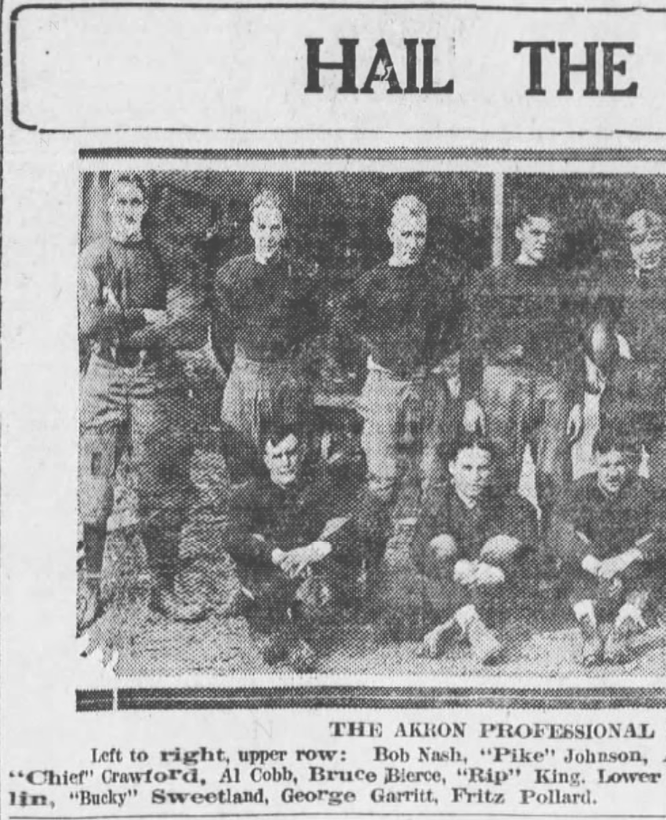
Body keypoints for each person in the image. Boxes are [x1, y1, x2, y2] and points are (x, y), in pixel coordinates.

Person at [78, 173, 208, 631]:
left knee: (161, 487)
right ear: (110, 205)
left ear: (146, 207)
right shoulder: (94, 257)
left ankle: (164, 587)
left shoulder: (164, 257)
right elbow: (90, 324)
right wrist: (144, 316)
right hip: (104, 380)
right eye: (121, 201)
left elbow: (188, 327)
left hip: (155, 378)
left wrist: (130, 324)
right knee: (95, 488)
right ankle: (90, 587)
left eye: (137, 202)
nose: (129, 210)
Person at [332, 196, 461, 548]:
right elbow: (342, 330)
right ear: (391, 233)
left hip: (428, 382)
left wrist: (443, 365)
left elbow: (456, 331)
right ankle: (368, 554)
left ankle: (430, 554)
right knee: (382, 476)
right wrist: (363, 367)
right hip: (385, 383)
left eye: (419, 235)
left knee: (434, 473)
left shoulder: (439, 280)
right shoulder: (371, 283)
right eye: (406, 234)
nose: (413, 243)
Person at [460, 210, 586, 522]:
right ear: (519, 233)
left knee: (555, 475)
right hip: (503, 381)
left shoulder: (562, 284)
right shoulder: (493, 280)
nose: (543, 241)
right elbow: (472, 342)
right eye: (535, 233)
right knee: (501, 471)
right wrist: (471, 398)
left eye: (548, 235)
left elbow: (573, 345)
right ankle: (499, 550)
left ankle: (555, 555)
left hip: (549, 383)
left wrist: (577, 401)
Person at [224, 424, 364, 673]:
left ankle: (288, 627)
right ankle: (270, 623)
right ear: (267, 461)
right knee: (272, 633)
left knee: (325, 596)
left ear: (301, 453)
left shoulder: (319, 487)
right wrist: (273, 554)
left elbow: (350, 526)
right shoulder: (249, 494)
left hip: (306, 569)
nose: (286, 462)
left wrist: (313, 551)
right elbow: (232, 538)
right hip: (269, 570)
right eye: (277, 456)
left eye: (291, 453)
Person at [391, 436, 540, 666]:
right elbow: (417, 552)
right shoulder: (437, 500)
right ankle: (472, 626)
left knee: (503, 546)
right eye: (467, 468)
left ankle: (453, 625)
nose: (475, 477)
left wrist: (500, 570)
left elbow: (532, 542)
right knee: (442, 545)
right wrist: (454, 567)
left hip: (490, 588)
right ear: (452, 467)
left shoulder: (506, 500)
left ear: (492, 469)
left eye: (483, 468)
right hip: (451, 584)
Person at [590, 209, 666, 499]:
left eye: (654, 239)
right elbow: (595, 330)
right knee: (618, 476)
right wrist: (593, 360)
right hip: (624, 390)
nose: (647, 249)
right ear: (630, 246)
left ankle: (663, 540)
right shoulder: (615, 286)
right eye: (638, 241)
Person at [214, 190, 325, 485]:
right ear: (251, 228)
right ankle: (246, 526)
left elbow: (313, 334)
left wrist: (296, 376)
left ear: (284, 231)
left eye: (275, 228)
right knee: (242, 462)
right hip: (244, 377)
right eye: (261, 227)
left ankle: (286, 526)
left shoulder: (302, 275)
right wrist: (242, 372)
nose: (268, 236)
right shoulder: (230, 275)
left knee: (288, 464)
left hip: (287, 380)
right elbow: (221, 339)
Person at [559, 431, 666, 665]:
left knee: (656, 566)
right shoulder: (579, 489)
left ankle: (622, 630)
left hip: (631, 575)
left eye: (620, 464)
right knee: (568, 565)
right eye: (605, 465)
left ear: (630, 463)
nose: (613, 473)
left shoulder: (645, 490)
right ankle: (590, 633)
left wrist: (626, 558)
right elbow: (558, 531)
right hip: (596, 575)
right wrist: (591, 562)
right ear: (594, 461)